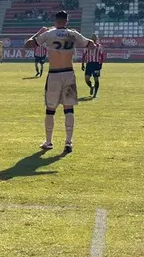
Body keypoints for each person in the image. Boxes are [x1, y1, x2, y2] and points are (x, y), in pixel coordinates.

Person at [24, 11, 96, 154]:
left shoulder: (49, 34)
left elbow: (28, 44)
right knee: (68, 108)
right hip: (69, 73)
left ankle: (49, 142)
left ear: (56, 20)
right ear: (67, 20)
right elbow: (92, 45)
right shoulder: (73, 34)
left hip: (54, 75)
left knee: (50, 109)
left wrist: (39, 32)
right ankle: (68, 142)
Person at [81, 34, 105, 98]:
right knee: (86, 79)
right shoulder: (87, 47)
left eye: (95, 38)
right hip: (89, 64)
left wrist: (101, 64)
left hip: (96, 64)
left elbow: (102, 56)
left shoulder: (99, 46)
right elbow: (84, 55)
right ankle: (91, 86)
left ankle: (95, 94)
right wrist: (82, 64)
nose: (94, 39)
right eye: (93, 38)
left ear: (96, 39)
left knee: (96, 79)